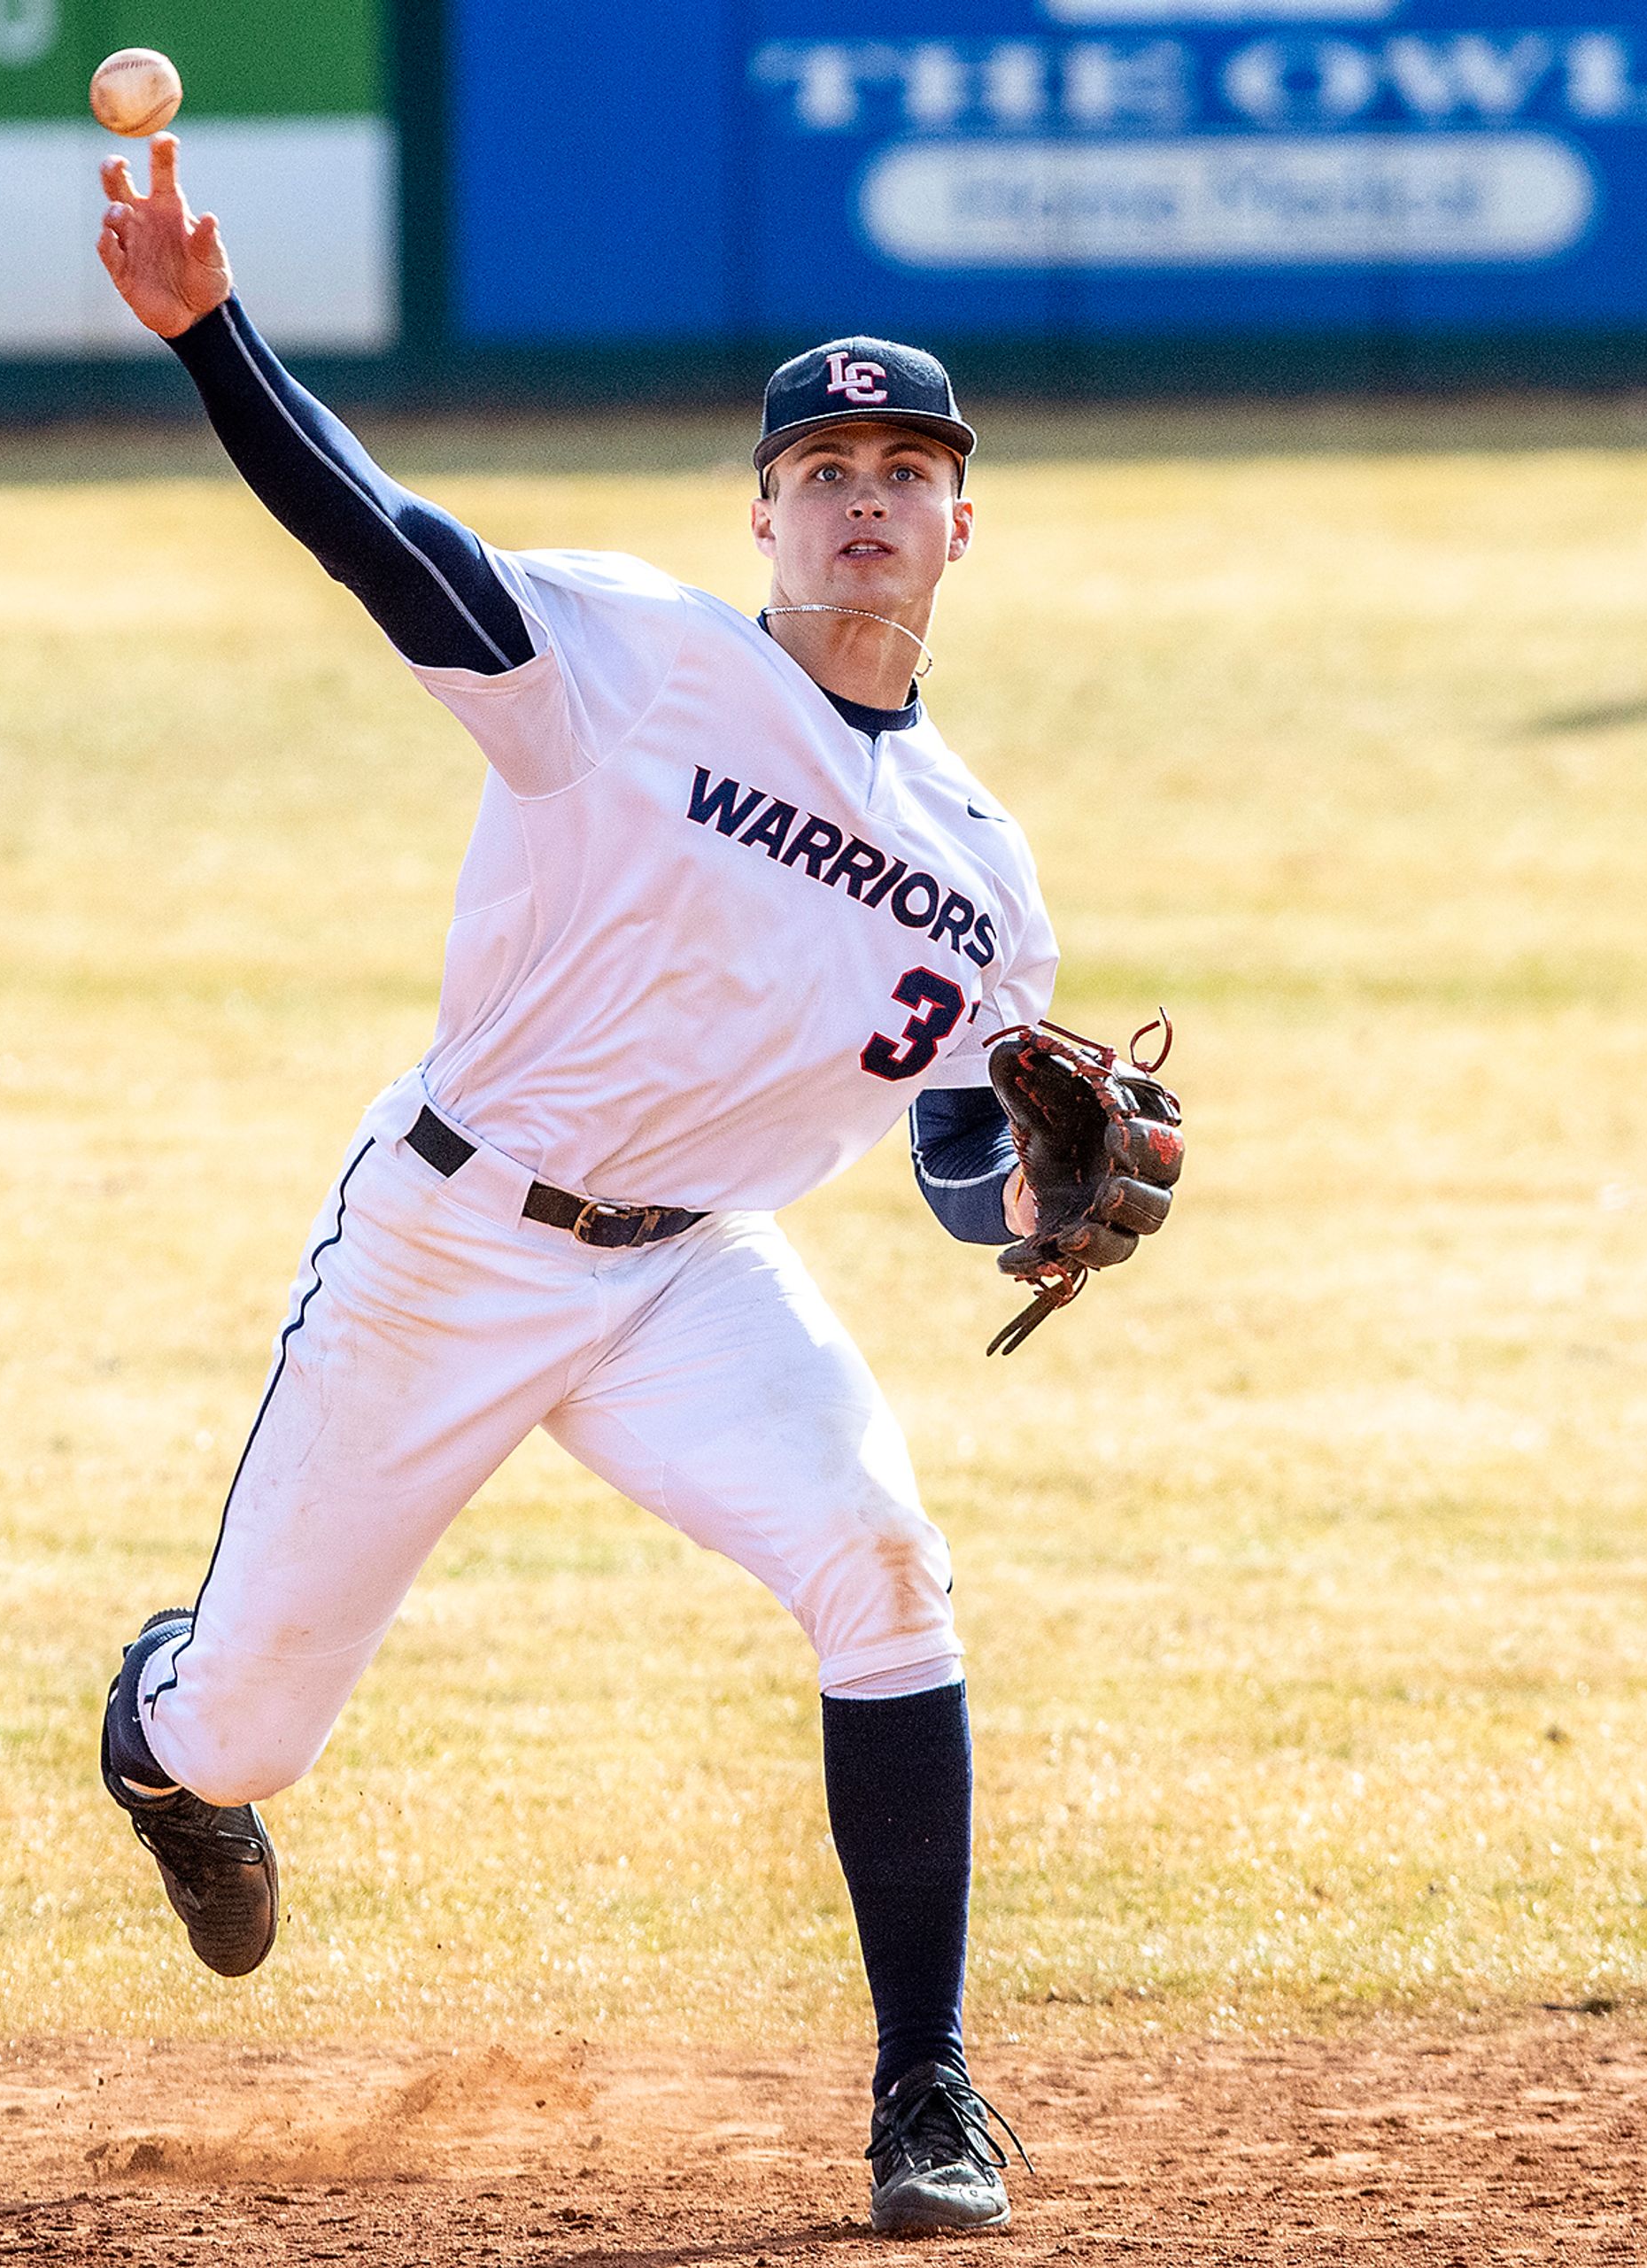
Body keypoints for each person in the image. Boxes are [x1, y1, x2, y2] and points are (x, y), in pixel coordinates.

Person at [88, 135, 1046, 2236]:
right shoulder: (628, 658)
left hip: (691, 1275)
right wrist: (213, 342)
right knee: (246, 1731)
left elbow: (964, 1153)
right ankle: (161, 1745)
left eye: (907, 471)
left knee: (881, 1563)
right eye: (827, 471)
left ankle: (928, 2093)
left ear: (960, 525)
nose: (866, 499)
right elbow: (387, 541)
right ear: (770, 512)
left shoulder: (984, 880)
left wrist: (1041, 1219)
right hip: (447, 1241)